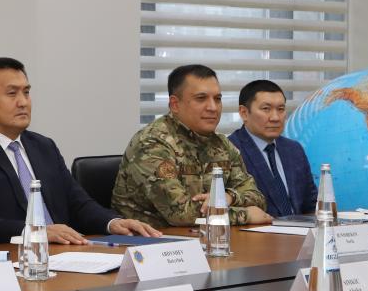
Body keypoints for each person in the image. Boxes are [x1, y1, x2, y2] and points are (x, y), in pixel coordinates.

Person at [0, 58, 160, 244]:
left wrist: (113, 223)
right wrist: (36, 232)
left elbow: (78, 203)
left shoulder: (44, 146)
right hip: (14, 255)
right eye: (12, 93)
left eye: (26, 92)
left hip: (63, 253)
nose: (23, 102)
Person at [112, 64, 270, 229]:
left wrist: (229, 197)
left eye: (217, 99)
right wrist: (245, 215)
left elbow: (257, 198)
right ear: (175, 105)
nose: (213, 107)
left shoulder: (222, 144)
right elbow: (181, 214)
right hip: (150, 240)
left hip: (204, 236)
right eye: (201, 98)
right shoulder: (152, 144)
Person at [228, 80, 317, 217]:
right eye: (266, 109)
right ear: (244, 113)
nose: (275, 118)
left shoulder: (294, 149)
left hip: (301, 229)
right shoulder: (229, 150)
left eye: (280, 109)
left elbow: (311, 205)